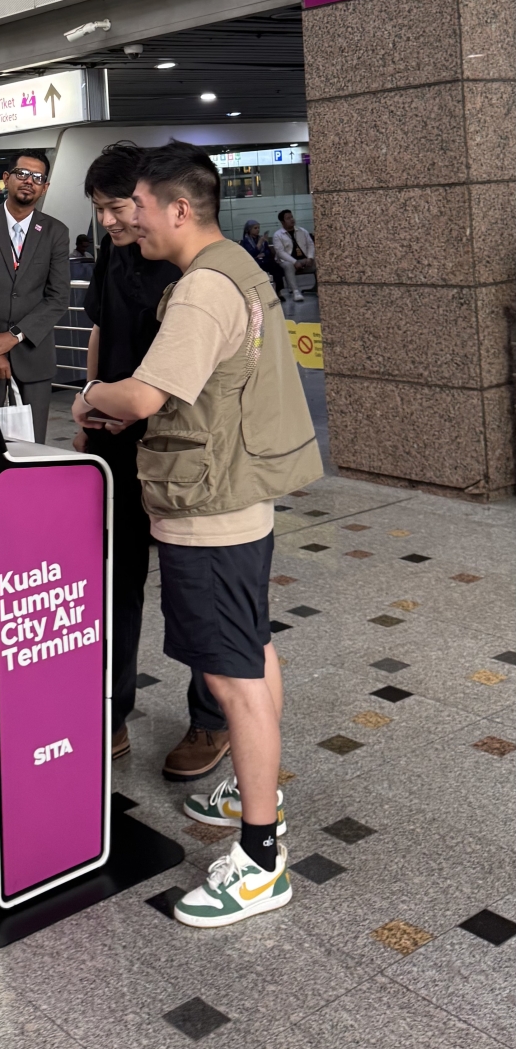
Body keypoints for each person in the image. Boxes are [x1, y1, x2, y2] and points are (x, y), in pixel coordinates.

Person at [72, 142, 322, 928]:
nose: (126, 220)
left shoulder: (202, 288)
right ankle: (259, 788)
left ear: (178, 208)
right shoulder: (238, 271)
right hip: (239, 498)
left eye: (136, 205)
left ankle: (258, 857)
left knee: (232, 675)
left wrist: (88, 401)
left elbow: (145, 393)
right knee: (252, 651)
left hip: (208, 509)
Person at [73, 141, 229, 768]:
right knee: (116, 579)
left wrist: (104, 401)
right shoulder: (115, 257)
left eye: (119, 207)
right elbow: (101, 329)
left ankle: (211, 720)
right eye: (101, 210)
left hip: (179, 447)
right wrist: (84, 415)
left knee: (197, 588)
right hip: (114, 442)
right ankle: (111, 710)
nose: (110, 221)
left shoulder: (192, 266)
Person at [0, 151, 69, 443]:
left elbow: (57, 298)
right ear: (6, 179)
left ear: (45, 187)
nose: (29, 181)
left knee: (32, 445)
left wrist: (14, 337)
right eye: (22, 174)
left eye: (38, 178)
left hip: (34, 358)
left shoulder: (56, 231)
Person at [272, 210, 315, 305]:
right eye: (288, 218)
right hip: (287, 261)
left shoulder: (302, 231)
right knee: (288, 266)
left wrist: (310, 257)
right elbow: (280, 252)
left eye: (292, 217)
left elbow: (310, 244)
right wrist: (294, 262)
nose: (292, 219)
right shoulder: (278, 235)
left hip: (304, 260)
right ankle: (295, 291)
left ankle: (320, 286)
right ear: (282, 222)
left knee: (320, 263)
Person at [241, 219, 283, 297]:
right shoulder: (245, 241)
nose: (258, 230)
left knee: (277, 269)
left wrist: (262, 252)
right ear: (249, 230)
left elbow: (267, 252)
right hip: (254, 263)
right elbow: (251, 254)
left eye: (258, 228)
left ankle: (278, 291)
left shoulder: (261, 238)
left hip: (265, 260)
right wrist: (259, 244)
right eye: (255, 228)